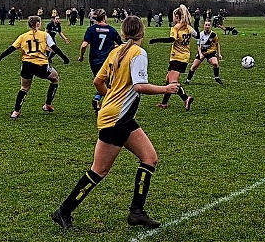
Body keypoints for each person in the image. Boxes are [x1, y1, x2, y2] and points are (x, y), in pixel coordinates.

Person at [51, 16, 179, 230]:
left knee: (149, 158)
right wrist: (166, 89)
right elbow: (139, 86)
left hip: (120, 117)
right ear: (142, 32)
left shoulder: (115, 52)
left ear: (123, 32)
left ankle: (137, 212)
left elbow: (98, 81)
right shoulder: (138, 53)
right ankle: (63, 211)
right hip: (116, 119)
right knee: (99, 171)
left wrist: (110, 97)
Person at [0, 16, 70, 119]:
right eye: (40, 22)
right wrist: (64, 58)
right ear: (37, 24)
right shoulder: (45, 35)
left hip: (27, 65)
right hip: (41, 65)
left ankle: (16, 112)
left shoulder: (23, 36)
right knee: (55, 78)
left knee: (24, 88)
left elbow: (11, 49)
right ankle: (48, 104)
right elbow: (54, 47)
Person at [149, 4, 197, 111]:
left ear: (177, 17)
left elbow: (172, 39)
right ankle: (164, 103)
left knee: (173, 82)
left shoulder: (175, 28)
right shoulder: (188, 27)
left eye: (174, 16)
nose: (173, 18)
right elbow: (196, 34)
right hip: (185, 57)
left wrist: (156, 40)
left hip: (177, 57)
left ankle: (186, 98)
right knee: (168, 79)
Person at [78, 9, 123, 115]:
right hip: (107, 60)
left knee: (100, 81)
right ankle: (102, 102)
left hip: (94, 60)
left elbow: (84, 45)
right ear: (105, 17)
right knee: (109, 83)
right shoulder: (111, 30)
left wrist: (81, 56)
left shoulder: (91, 30)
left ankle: (98, 100)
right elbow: (121, 45)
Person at [185, 20, 223, 84]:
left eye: (208, 25)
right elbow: (198, 45)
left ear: (211, 26)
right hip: (202, 52)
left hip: (211, 53)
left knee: (215, 64)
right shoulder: (200, 34)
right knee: (194, 66)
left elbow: (217, 44)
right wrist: (200, 54)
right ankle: (188, 80)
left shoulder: (213, 35)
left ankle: (217, 78)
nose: (207, 26)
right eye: (206, 25)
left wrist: (219, 54)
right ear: (204, 26)